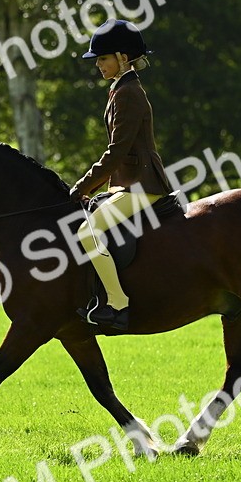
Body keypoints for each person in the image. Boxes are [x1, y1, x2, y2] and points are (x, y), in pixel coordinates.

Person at [69, 19, 174, 331]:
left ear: (123, 58)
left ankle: (117, 304)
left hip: (143, 185)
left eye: (103, 58)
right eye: (98, 60)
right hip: (130, 184)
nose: (98, 65)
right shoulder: (121, 89)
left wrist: (82, 185)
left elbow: (116, 153)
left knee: (87, 234)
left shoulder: (128, 93)